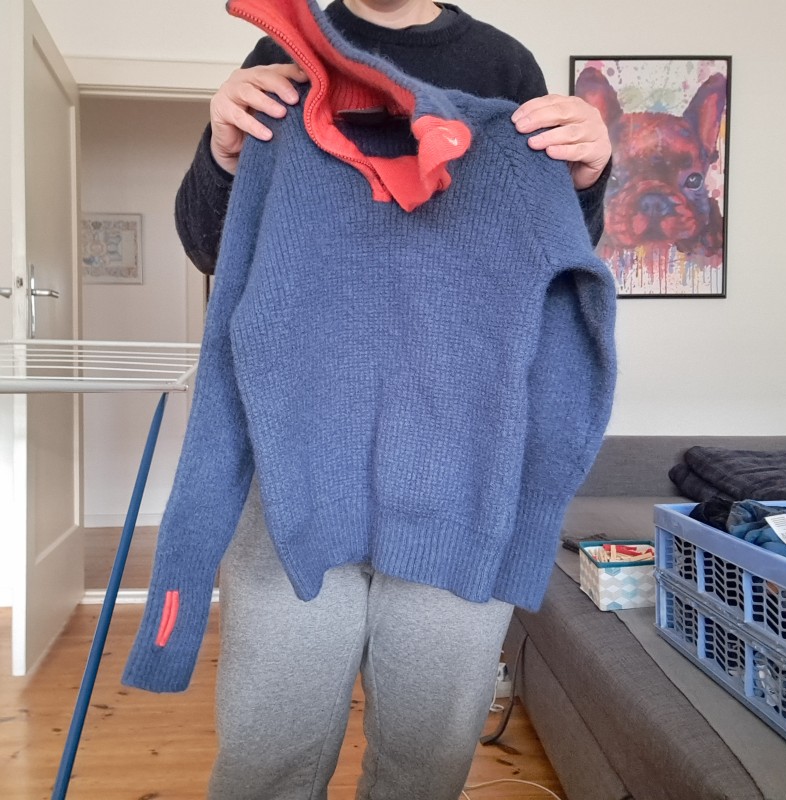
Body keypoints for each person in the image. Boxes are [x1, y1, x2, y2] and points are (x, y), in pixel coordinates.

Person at [174, 2, 612, 798]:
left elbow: (550, 263)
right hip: (295, 464)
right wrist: (222, 154)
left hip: (461, 468)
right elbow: (216, 252)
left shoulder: (503, 64)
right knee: (266, 753)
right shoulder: (280, 57)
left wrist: (587, 179)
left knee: (426, 762)